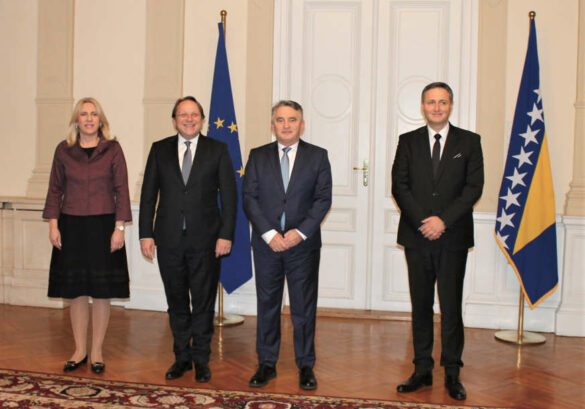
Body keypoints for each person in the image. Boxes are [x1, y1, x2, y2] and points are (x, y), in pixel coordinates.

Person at [391, 82, 484, 400]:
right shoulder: (408, 141)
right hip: (417, 236)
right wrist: (424, 221)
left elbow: (473, 187)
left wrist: (443, 220)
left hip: (452, 236)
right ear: (422, 106)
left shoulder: (470, 142)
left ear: (451, 106)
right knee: (420, 305)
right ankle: (421, 369)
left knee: (451, 306)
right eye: (431, 102)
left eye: (442, 102)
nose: (436, 107)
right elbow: (399, 186)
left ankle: (453, 372)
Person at [139, 96, 237, 383]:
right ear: (174, 120)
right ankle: (181, 357)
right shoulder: (159, 150)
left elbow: (230, 198)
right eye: (183, 114)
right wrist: (146, 233)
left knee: (203, 303)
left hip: (206, 241)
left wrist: (226, 235)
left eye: (194, 114)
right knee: (176, 302)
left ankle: (202, 359)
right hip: (168, 239)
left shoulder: (217, 150)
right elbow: (148, 196)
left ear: (202, 119)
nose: (189, 119)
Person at [242, 100, 332, 390]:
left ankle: (305, 365)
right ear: (273, 125)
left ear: (301, 125)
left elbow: (323, 199)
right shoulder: (258, 156)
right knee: (267, 304)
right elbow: (249, 198)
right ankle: (266, 363)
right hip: (267, 245)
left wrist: (300, 233)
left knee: (303, 308)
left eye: (292, 120)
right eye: (280, 120)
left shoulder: (318, 156)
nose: (286, 125)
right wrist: (269, 234)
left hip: (302, 246)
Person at [43, 97, 132, 375]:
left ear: (101, 120)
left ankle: (97, 352)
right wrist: (53, 225)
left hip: (104, 227)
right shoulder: (64, 150)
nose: (89, 118)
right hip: (71, 226)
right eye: (84, 114)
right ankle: (79, 350)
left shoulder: (113, 149)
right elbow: (54, 189)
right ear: (76, 121)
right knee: (76, 292)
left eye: (94, 114)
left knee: (102, 292)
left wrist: (119, 228)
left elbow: (122, 189)